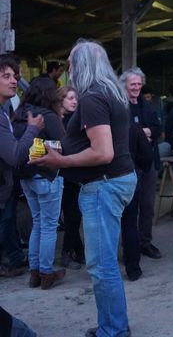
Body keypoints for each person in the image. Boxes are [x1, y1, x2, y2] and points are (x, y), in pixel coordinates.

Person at [30, 39, 137, 337]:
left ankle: (113, 330)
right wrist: (60, 151)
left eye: (71, 63)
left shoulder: (92, 97)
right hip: (113, 181)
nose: (68, 69)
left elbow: (103, 152)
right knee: (103, 264)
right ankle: (112, 325)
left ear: (82, 66)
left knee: (101, 266)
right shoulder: (111, 93)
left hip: (103, 185)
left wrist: (61, 160)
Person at [12, 77, 66, 289]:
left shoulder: (19, 114)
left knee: (38, 222)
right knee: (49, 226)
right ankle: (46, 273)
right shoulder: (48, 116)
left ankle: (35, 272)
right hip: (46, 175)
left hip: (25, 175)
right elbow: (65, 143)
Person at [0, 55, 44, 278]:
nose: (13, 81)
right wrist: (33, 129)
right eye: (6, 76)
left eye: (15, 76)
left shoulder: (6, 110)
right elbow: (15, 155)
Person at [119, 67, 163, 260]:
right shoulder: (120, 106)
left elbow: (157, 127)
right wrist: (138, 133)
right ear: (125, 86)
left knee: (147, 204)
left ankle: (145, 242)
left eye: (139, 84)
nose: (136, 87)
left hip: (148, 162)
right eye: (133, 84)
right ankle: (129, 245)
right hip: (128, 163)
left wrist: (149, 132)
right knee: (129, 207)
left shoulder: (146, 105)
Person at [56, 86, 84, 270]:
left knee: (74, 214)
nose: (74, 101)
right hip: (63, 174)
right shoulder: (58, 122)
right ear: (61, 101)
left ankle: (77, 251)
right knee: (72, 214)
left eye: (75, 98)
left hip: (77, 172)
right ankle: (68, 252)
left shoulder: (78, 120)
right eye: (70, 98)